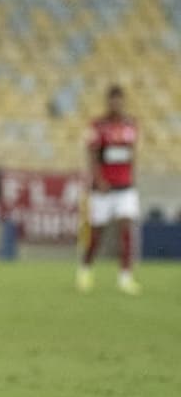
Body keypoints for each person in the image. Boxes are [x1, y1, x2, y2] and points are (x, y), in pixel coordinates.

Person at [77, 85, 141, 295]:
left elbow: (131, 154)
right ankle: (86, 268)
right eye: (113, 100)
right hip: (103, 189)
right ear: (108, 102)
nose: (116, 104)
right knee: (97, 234)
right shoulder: (98, 125)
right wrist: (99, 179)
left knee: (126, 229)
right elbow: (93, 155)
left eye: (119, 100)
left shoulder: (131, 125)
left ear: (123, 101)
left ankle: (125, 277)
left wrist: (132, 176)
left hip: (125, 188)